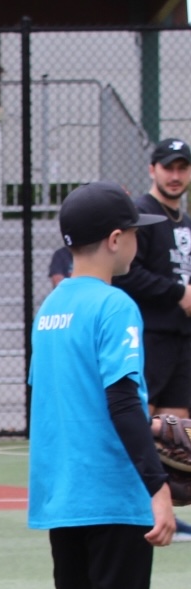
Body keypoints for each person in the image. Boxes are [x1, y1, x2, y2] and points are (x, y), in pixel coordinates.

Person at [26, 181, 173, 589]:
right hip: (112, 490)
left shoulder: (52, 306)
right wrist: (157, 487)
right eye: (135, 231)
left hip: (62, 489)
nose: (138, 241)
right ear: (116, 240)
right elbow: (121, 399)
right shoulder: (117, 307)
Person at [113, 138, 191, 421]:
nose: (175, 176)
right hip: (149, 335)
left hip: (181, 337)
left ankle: (168, 469)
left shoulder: (186, 222)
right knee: (143, 416)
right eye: (168, 168)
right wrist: (178, 293)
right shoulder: (141, 214)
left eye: (183, 168)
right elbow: (126, 273)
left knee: (179, 425)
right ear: (152, 169)